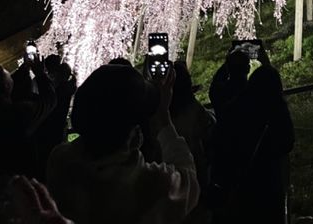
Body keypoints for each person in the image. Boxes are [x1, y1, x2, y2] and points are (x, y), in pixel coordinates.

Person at [46, 62, 200, 224]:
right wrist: (163, 119)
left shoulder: (59, 161)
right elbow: (189, 180)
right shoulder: (148, 185)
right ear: (133, 133)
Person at [208, 45, 294, 224]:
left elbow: (215, 86)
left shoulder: (228, 104)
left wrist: (229, 60)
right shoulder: (274, 111)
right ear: (248, 68)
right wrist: (264, 61)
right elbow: (288, 142)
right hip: (269, 184)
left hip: (238, 184)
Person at [0, 58, 56, 177]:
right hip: (19, 179)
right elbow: (49, 101)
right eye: (8, 73)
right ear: (6, 85)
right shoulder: (19, 114)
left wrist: (24, 69)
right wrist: (41, 74)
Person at [34, 56, 77, 181]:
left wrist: (40, 75)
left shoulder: (56, 92)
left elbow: (48, 98)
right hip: (58, 133)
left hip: (46, 133)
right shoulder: (68, 88)